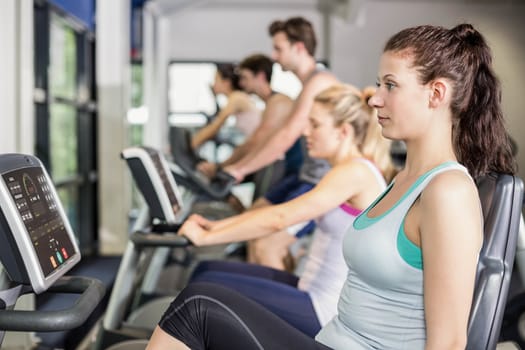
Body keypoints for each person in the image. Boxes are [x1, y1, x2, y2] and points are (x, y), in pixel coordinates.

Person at [146, 23, 517, 350]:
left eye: (390, 85)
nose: (374, 99)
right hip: (330, 338)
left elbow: (449, 342)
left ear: (436, 94)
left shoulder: (447, 191)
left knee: (197, 309)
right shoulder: (401, 181)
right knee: (200, 301)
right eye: (378, 84)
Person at [177, 84, 393, 337]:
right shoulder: (344, 171)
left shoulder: (355, 172)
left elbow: (280, 219)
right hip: (309, 289)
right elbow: (280, 213)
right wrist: (214, 227)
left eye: (315, 124)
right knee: (205, 271)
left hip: (324, 311)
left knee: (204, 289)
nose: (305, 131)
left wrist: (206, 238)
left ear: (342, 132)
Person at [222, 17, 340, 270]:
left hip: (320, 181)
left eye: (279, 48)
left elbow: (287, 135)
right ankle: (257, 298)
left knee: (267, 244)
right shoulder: (307, 84)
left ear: (298, 47)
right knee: (252, 219)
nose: (274, 56)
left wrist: (241, 169)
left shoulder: (320, 82)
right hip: (302, 175)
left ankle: (277, 306)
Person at [197, 54, 302, 182]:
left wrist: (224, 166)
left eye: (245, 78)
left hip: (286, 166)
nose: (241, 83)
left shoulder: (278, 103)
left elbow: (256, 141)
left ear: (261, 76)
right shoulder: (269, 104)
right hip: (276, 163)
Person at [190, 63, 261, 150]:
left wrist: (190, 145)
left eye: (216, 79)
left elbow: (215, 126)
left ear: (226, 82)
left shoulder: (236, 98)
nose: (213, 84)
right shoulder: (237, 97)